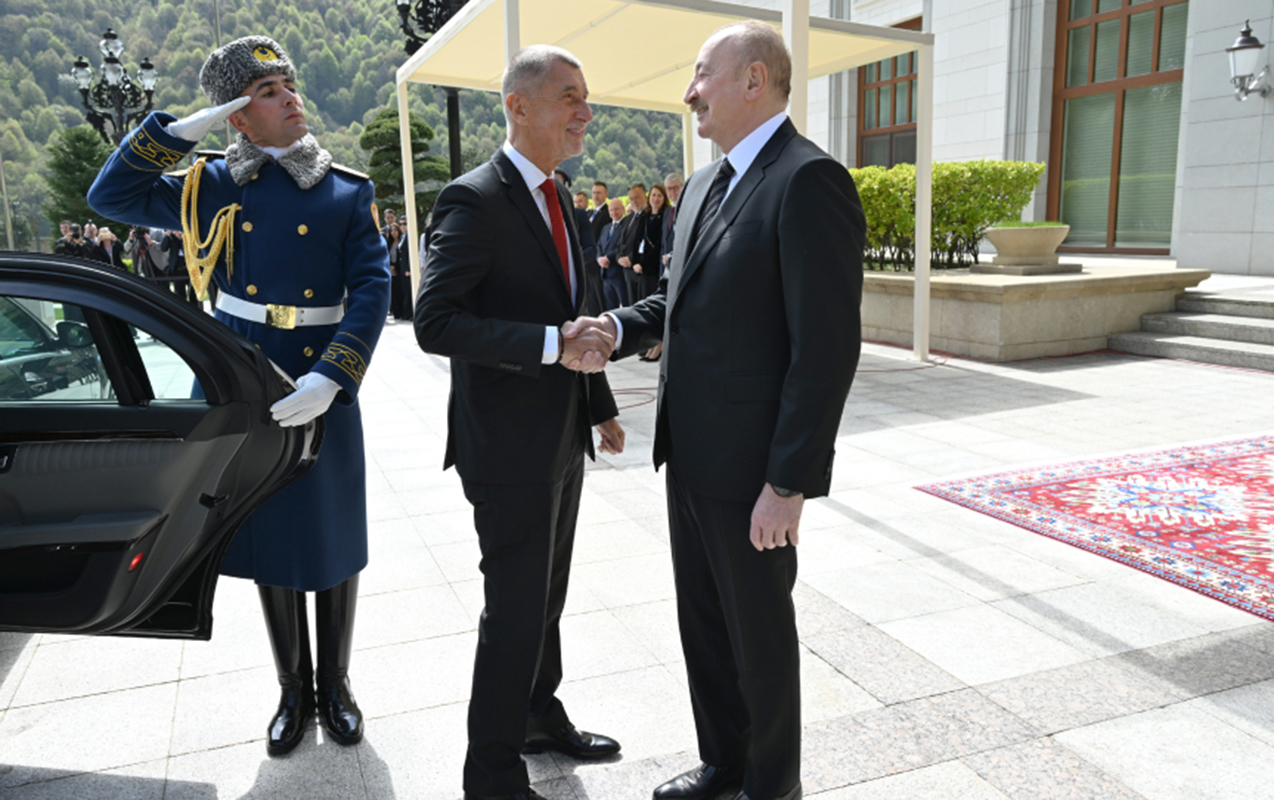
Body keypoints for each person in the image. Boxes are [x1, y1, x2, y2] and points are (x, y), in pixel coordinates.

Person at [566, 21, 865, 800]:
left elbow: (825, 349)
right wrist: (619, 327)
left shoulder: (809, 181)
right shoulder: (703, 184)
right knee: (703, 626)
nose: (690, 91)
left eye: (703, 74)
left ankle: (771, 786)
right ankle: (724, 764)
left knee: (760, 639)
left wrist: (789, 482)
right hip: (689, 453)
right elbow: (679, 299)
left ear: (755, 80)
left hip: (753, 470)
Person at [88, 34, 391, 758]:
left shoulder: (348, 189)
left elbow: (374, 286)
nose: (291, 99)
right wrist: (175, 131)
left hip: (318, 373)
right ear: (237, 117)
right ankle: (292, 689)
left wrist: (335, 374)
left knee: (330, 532)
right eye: (268, 93)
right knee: (274, 532)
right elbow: (111, 196)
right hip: (247, 373)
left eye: (289, 86)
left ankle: (337, 685)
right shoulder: (212, 182)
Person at [414, 44, 625, 800]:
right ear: (519, 105)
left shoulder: (563, 196)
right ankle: (493, 774)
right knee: (515, 607)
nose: (585, 111)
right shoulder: (474, 198)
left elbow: (575, 307)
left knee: (548, 596)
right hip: (505, 446)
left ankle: (539, 716)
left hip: (561, 435)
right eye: (570, 95)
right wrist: (547, 347)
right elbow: (434, 321)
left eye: (586, 96)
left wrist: (597, 405)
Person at [595, 198, 628, 311]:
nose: (613, 213)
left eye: (617, 209)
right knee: (610, 309)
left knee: (625, 307)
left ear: (623, 209)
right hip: (606, 275)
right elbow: (599, 245)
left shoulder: (627, 225)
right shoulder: (606, 227)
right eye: (611, 210)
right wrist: (599, 258)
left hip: (620, 274)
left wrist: (608, 258)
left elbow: (624, 246)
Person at [616, 183, 646, 305]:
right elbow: (620, 243)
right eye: (631, 199)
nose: (634, 201)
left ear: (645, 196)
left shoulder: (648, 216)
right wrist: (619, 259)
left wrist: (633, 261)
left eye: (637, 197)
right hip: (626, 273)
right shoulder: (628, 219)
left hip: (640, 271)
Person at [385, 221, 412, 321]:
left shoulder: (402, 240)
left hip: (400, 268)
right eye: (391, 230)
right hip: (391, 269)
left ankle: (405, 311)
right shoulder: (388, 243)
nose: (393, 232)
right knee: (394, 291)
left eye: (395, 230)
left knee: (402, 290)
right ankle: (397, 312)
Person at [661, 172, 684, 276]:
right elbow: (664, 241)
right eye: (669, 189)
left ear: (683, 187)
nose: (672, 191)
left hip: (682, 264)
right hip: (667, 268)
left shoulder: (688, 209)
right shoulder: (667, 212)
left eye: (675, 187)